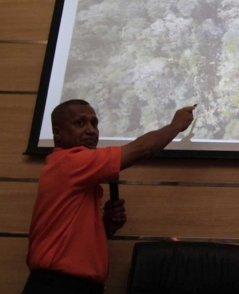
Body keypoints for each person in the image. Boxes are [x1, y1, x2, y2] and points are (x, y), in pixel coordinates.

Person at [22, 99, 195, 294]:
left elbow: (69, 239)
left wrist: (106, 227)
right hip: (59, 286)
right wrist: (175, 126)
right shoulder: (70, 162)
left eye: (94, 123)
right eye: (80, 123)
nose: (91, 130)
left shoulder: (73, 171)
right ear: (57, 133)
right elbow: (141, 149)